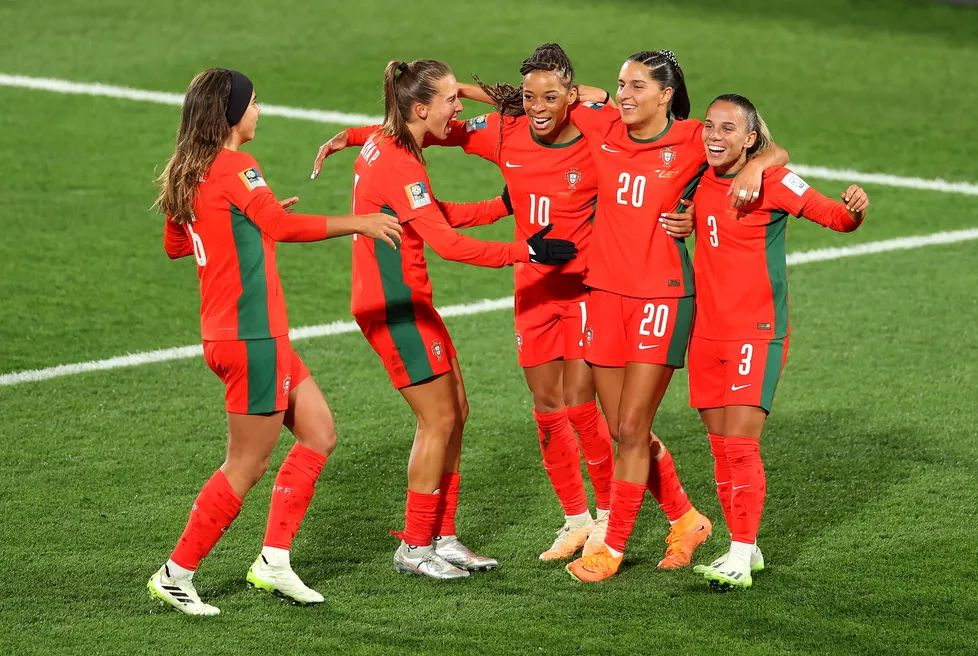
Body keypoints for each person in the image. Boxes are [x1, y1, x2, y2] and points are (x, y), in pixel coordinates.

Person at [312, 45, 693, 563]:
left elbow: (659, 170)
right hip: (532, 291)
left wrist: (684, 213)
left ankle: (610, 519)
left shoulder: (599, 136)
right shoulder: (504, 133)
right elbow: (422, 127)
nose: (538, 107)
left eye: (551, 97)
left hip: (586, 288)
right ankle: (576, 519)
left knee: (588, 410)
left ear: (570, 97)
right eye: (529, 97)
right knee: (547, 409)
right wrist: (359, 135)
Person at [148, 68, 401, 616]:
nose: (259, 111)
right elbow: (281, 230)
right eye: (254, 103)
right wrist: (358, 221)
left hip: (238, 333)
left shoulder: (188, 172)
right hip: (251, 337)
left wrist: (247, 223)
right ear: (231, 114)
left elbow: (178, 243)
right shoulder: (238, 166)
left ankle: (274, 561)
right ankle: (176, 572)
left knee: (319, 433)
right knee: (246, 465)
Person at [313, 58, 577, 579]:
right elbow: (448, 244)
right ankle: (414, 545)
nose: (460, 109)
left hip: (410, 300)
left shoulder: (394, 143)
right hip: (392, 307)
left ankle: (444, 536)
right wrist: (525, 252)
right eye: (452, 99)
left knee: (457, 409)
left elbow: (430, 213)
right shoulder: (399, 163)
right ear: (420, 108)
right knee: (436, 418)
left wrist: (498, 207)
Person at [563, 50, 791, 583]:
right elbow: (538, 98)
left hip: (662, 298)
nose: (624, 94)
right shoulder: (603, 122)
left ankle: (611, 548)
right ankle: (686, 519)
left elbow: (769, 145)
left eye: (637, 86)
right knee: (621, 427)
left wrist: (757, 165)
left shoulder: (694, 137)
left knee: (632, 426)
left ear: (666, 94)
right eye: (621, 84)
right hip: (605, 292)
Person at [689, 94, 867, 589]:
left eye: (729, 129)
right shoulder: (697, 174)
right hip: (705, 332)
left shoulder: (771, 180)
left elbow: (835, 218)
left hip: (756, 333)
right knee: (721, 448)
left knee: (742, 446)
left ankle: (740, 557)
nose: (714, 136)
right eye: (710, 126)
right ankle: (745, 544)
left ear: (749, 139)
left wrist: (853, 210)